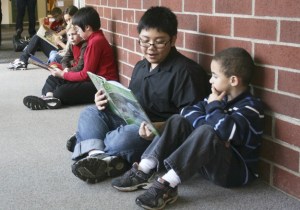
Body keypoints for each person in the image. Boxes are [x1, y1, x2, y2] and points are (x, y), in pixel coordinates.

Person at [69, 6, 209, 184]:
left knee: (121, 138)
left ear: (173, 40)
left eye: (159, 42)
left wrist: (158, 127)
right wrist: (105, 102)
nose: (150, 48)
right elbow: (131, 102)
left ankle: (90, 144)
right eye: (144, 41)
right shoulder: (141, 66)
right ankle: (99, 156)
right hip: (133, 122)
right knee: (90, 113)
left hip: (155, 134)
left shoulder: (187, 72)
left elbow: (189, 123)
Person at [111, 47, 265, 210]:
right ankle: (145, 167)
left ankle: (168, 183)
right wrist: (212, 120)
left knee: (207, 131)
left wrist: (212, 111)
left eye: (215, 76)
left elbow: (227, 131)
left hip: (233, 173)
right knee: (178, 120)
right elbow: (187, 111)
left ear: (233, 80)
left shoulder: (251, 108)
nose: (210, 81)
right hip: (207, 162)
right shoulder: (218, 98)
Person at [22, 25, 87, 110]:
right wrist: (65, 68)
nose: (71, 38)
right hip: (69, 72)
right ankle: (49, 97)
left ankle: (50, 98)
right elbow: (65, 59)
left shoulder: (84, 46)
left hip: (78, 75)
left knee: (60, 90)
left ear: (80, 34)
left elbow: (80, 67)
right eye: (69, 35)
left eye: (73, 34)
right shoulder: (72, 45)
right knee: (51, 78)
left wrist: (67, 71)